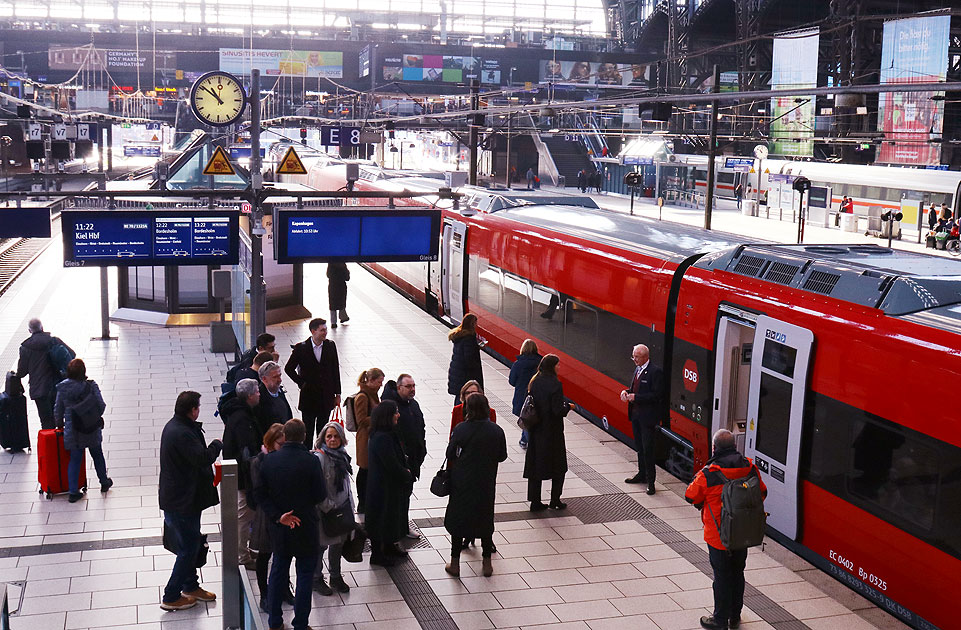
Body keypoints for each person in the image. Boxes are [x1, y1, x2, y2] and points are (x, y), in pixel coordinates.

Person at [686, 429, 767, 630]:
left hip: (718, 536)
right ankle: (734, 616)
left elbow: (691, 496)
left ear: (714, 448)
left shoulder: (709, 474)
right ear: (734, 446)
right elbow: (762, 493)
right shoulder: (749, 467)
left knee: (721, 577)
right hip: (742, 533)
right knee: (738, 573)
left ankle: (720, 620)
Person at [255, 419, 326, 630]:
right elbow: (320, 495)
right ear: (304, 436)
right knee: (304, 575)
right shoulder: (311, 461)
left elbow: (260, 494)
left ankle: (275, 622)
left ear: (284, 436)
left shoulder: (269, 461)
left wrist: (279, 516)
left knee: (278, 571)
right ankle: (301, 624)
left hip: (281, 526)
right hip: (305, 524)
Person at [158, 391, 222, 611]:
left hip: (184, 498)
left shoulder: (176, 426)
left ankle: (191, 586)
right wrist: (216, 445)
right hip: (181, 501)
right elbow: (201, 458)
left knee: (190, 544)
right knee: (187, 549)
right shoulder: (181, 433)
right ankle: (171, 596)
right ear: (193, 410)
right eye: (198, 407)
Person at [443, 393, 508, 578]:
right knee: (485, 519)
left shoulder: (461, 429)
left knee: (459, 520)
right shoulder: (496, 430)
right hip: (485, 483)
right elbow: (502, 456)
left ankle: (455, 563)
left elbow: (450, 453)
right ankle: (487, 564)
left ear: (468, 409)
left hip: (462, 483)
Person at [248, 423, 295, 613]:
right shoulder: (258, 461)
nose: (283, 448)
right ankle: (264, 593)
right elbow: (259, 491)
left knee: (284, 553)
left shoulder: (287, 460)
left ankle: (284, 588)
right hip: (267, 513)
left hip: (285, 511)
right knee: (265, 554)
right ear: (270, 442)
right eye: (280, 444)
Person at [53, 358, 111, 503]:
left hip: (73, 430)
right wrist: (92, 415)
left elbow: (58, 410)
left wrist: (59, 424)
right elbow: (101, 405)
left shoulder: (62, 388)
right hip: (91, 427)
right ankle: (104, 482)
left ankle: (73, 492)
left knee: (75, 459)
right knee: (97, 454)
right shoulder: (91, 386)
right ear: (83, 371)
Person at [364, 400, 414, 567]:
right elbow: (391, 463)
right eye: (395, 412)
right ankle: (377, 554)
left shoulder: (386, 433)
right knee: (381, 518)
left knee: (391, 516)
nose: (398, 415)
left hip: (389, 486)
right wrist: (406, 473)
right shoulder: (382, 438)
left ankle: (390, 545)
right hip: (383, 487)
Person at [221, 378, 263, 567]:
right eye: (257, 392)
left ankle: (244, 550)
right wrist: (251, 479)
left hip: (241, 474)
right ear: (250, 396)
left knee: (245, 516)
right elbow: (246, 451)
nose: (259, 394)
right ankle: (242, 555)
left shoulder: (239, 412)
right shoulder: (242, 419)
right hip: (243, 476)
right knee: (244, 517)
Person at [381, 374, 426, 540]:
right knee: (396, 497)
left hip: (413, 460)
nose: (412, 389)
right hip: (400, 462)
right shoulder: (391, 408)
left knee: (406, 495)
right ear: (399, 388)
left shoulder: (413, 405)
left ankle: (402, 526)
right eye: (408, 386)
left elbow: (421, 427)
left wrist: (422, 449)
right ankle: (394, 530)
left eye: (413, 386)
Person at [524, 354, 571, 511]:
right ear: (552, 366)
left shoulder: (534, 381)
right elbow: (557, 411)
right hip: (552, 433)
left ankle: (535, 501)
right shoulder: (555, 384)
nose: (559, 367)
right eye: (557, 365)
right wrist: (568, 407)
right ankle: (555, 500)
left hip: (536, 430)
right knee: (559, 467)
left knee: (535, 467)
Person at [313, 421, 355, 595]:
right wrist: (328, 507)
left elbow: (345, 483)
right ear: (323, 438)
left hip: (342, 508)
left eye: (336, 436)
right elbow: (316, 488)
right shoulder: (319, 458)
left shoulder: (342, 455)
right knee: (321, 546)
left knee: (338, 543)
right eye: (329, 436)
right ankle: (316, 578)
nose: (332, 439)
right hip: (326, 511)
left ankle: (335, 576)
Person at [285, 318, 342, 446]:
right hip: (309, 397)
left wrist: (337, 393)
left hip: (326, 396)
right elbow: (288, 368)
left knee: (323, 430)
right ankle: (308, 453)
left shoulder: (330, 346)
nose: (325, 332)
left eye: (326, 330)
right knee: (308, 430)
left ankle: (321, 452)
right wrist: (301, 383)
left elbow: (335, 370)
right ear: (313, 331)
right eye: (322, 330)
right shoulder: (301, 348)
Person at [621, 343, 664, 495]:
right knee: (639, 447)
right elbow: (636, 389)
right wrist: (627, 392)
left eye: (637, 357)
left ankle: (651, 482)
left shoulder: (655, 372)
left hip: (647, 418)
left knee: (648, 450)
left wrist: (636, 397)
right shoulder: (638, 369)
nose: (634, 359)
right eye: (633, 356)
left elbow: (657, 395)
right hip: (636, 416)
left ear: (646, 357)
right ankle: (642, 474)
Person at [16, 318, 73, 430]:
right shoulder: (55, 341)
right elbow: (71, 355)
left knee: (46, 421)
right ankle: (62, 439)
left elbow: (22, 372)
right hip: (57, 385)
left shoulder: (25, 347)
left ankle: (50, 440)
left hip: (39, 389)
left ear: (30, 331)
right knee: (60, 418)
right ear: (42, 328)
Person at [352, 368, 384, 514]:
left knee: (369, 471)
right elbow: (361, 420)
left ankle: (368, 500)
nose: (380, 385)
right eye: (379, 382)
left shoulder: (373, 394)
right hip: (365, 439)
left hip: (372, 437)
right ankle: (362, 502)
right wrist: (380, 417)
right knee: (364, 470)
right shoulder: (363, 397)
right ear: (370, 381)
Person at [509, 339, 541, 450]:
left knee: (526, 418)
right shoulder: (541, 364)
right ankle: (524, 440)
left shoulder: (518, 364)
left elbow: (512, 381)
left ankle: (529, 444)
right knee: (530, 419)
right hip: (537, 397)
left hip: (521, 396)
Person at [447, 314, 484, 406]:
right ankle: (459, 412)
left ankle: (456, 411)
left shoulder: (459, 336)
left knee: (459, 395)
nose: (476, 325)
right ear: (472, 324)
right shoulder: (469, 338)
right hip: (465, 375)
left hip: (458, 372)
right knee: (464, 396)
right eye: (475, 323)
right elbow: (469, 360)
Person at [255, 361, 293, 437]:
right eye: (275, 377)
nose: (280, 380)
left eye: (280, 375)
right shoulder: (259, 398)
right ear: (264, 379)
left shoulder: (279, 391)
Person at [327, 263, 351, 329]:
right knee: (341, 302)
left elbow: (328, 275)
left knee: (332, 304)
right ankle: (343, 317)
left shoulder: (331, 264)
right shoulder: (343, 265)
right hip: (341, 286)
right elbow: (347, 278)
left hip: (332, 286)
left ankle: (333, 322)